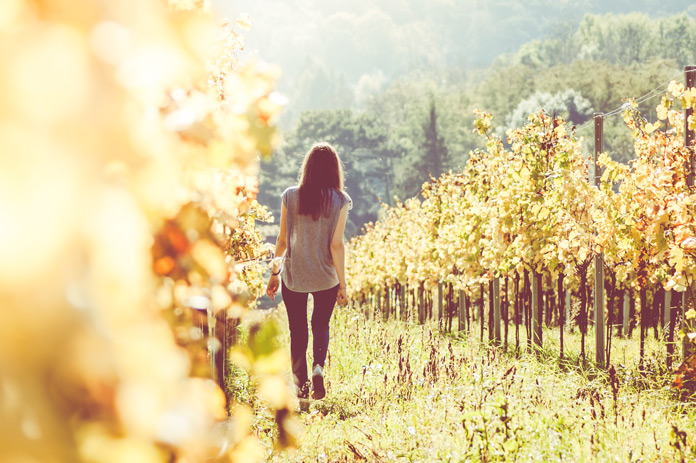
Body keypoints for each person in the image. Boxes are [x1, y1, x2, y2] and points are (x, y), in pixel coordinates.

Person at [266, 142, 351, 400]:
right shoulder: (341, 200)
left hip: (294, 275)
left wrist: (273, 275)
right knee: (320, 324)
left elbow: (281, 240)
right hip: (326, 275)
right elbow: (336, 244)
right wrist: (343, 285)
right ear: (334, 170)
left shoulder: (289, 196)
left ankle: (301, 391)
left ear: (307, 168)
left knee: (298, 329)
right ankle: (318, 369)